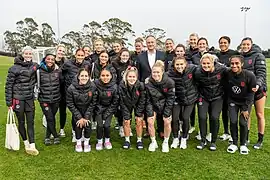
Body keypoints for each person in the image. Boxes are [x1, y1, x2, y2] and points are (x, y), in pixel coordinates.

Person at [5, 46, 39, 155]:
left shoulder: (34, 66)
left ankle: (32, 145)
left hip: (29, 99)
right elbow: (8, 85)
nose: (28, 56)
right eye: (26, 54)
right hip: (18, 99)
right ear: (23, 54)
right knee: (21, 122)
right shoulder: (14, 68)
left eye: (30, 54)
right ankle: (25, 142)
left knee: (30, 122)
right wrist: (9, 102)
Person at [194, 53, 227, 151]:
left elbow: (232, 73)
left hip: (217, 97)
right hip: (203, 97)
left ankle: (213, 141)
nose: (206, 65)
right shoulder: (198, 72)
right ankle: (203, 140)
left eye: (208, 63)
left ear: (213, 63)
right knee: (202, 117)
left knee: (214, 117)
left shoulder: (222, 69)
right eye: (204, 63)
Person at [226, 55, 256, 154]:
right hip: (232, 101)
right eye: (232, 63)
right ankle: (234, 143)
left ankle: (243, 144)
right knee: (233, 121)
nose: (234, 65)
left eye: (236, 63)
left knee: (243, 123)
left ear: (242, 64)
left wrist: (245, 108)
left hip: (245, 102)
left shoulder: (250, 75)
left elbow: (251, 93)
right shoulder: (227, 73)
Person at [136, 35, 165, 138]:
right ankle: (148, 130)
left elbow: (165, 72)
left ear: (155, 43)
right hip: (146, 86)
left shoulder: (162, 55)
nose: (150, 44)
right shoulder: (140, 57)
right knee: (147, 108)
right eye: (148, 42)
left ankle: (161, 130)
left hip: (159, 86)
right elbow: (138, 74)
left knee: (160, 108)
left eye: (152, 42)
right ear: (146, 44)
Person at [240, 37, 267, 149]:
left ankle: (260, 140)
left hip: (258, 91)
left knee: (260, 114)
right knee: (247, 114)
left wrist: (258, 84)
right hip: (246, 92)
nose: (245, 46)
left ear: (251, 45)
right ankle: (246, 138)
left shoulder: (258, 55)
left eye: (247, 44)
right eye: (243, 44)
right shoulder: (240, 56)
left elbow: (261, 73)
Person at [168, 56, 198, 149]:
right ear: (174, 65)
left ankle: (184, 138)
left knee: (185, 118)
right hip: (177, 98)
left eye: (181, 64)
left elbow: (204, 69)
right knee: (175, 118)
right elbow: (159, 75)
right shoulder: (170, 73)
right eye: (177, 64)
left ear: (185, 64)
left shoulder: (192, 69)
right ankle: (176, 138)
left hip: (190, 98)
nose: (179, 66)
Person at [61, 48, 91, 142]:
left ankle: (82, 133)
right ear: (75, 55)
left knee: (83, 112)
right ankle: (75, 133)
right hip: (71, 92)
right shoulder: (67, 63)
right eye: (79, 55)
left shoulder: (87, 64)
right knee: (75, 114)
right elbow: (61, 74)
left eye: (82, 55)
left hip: (83, 92)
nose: (80, 57)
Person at [145, 60, 175, 152]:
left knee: (167, 121)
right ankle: (153, 141)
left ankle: (165, 142)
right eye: (154, 72)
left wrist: (166, 113)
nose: (156, 74)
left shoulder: (170, 82)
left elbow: (170, 98)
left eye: (158, 72)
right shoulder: (147, 82)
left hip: (165, 105)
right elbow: (148, 99)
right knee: (150, 121)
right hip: (153, 105)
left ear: (162, 72)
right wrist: (150, 112)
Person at [66, 68, 97, 152]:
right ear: (78, 77)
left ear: (89, 77)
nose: (84, 78)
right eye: (82, 76)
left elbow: (93, 102)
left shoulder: (93, 87)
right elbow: (70, 103)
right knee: (78, 125)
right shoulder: (71, 88)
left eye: (86, 76)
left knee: (87, 125)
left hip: (88, 110)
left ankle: (86, 143)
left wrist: (86, 116)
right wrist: (79, 117)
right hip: (77, 110)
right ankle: (78, 143)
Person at [217, 36, 239, 141]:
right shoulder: (217, 55)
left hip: (232, 86)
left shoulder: (234, 54)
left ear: (229, 43)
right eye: (221, 43)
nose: (222, 44)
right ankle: (226, 132)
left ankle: (233, 133)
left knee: (233, 112)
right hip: (221, 87)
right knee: (224, 111)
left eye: (225, 42)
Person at [119, 66, 146, 149]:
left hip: (138, 104)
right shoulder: (122, 85)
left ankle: (139, 140)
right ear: (126, 77)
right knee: (126, 121)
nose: (131, 79)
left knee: (139, 120)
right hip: (126, 104)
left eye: (133, 77)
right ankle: (127, 140)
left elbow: (142, 100)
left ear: (136, 77)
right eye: (130, 77)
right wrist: (126, 114)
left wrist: (138, 113)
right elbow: (121, 101)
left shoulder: (140, 85)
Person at [39, 53, 62, 145]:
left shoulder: (58, 71)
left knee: (52, 117)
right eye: (48, 59)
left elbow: (61, 82)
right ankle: (55, 136)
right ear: (45, 59)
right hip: (44, 99)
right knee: (49, 117)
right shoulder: (39, 71)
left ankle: (48, 137)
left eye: (52, 59)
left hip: (56, 98)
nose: (50, 61)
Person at [94, 68, 119, 150]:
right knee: (100, 125)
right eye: (103, 75)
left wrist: (107, 113)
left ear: (111, 76)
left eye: (107, 75)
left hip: (109, 108)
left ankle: (107, 140)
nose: (105, 77)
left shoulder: (115, 86)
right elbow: (94, 99)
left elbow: (115, 102)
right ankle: (100, 141)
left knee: (107, 125)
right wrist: (98, 110)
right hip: (98, 108)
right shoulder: (95, 84)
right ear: (100, 76)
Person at [112, 48, 132, 137]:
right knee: (119, 109)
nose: (125, 57)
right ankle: (121, 127)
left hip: (128, 90)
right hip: (118, 89)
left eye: (127, 56)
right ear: (120, 55)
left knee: (129, 109)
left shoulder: (131, 64)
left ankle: (128, 127)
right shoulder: (114, 64)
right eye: (123, 55)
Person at [55, 44, 67, 137]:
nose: (61, 52)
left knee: (62, 111)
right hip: (53, 90)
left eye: (63, 51)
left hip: (63, 90)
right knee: (52, 112)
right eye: (60, 50)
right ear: (56, 50)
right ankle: (51, 130)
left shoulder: (66, 63)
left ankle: (62, 129)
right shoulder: (50, 61)